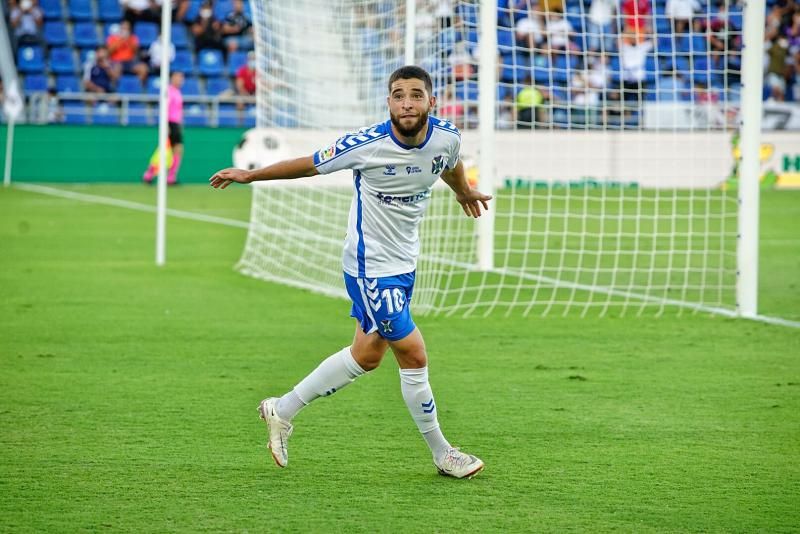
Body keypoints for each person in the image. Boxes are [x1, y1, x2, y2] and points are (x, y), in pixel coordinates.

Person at [208, 66, 491, 479]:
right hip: (369, 266)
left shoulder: (447, 136)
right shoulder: (367, 145)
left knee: (367, 355)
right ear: (388, 102)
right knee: (413, 353)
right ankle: (443, 453)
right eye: (398, 95)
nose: (407, 103)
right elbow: (308, 164)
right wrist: (250, 175)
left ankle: (281, 409)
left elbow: (449, 164)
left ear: (432, 101)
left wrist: (463, 190)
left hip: (404, 262)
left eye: (415, 95)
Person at [143, 71, 184, 185]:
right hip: (169, 123)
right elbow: (164, 108)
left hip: (175, 123)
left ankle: (170, 177)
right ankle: (150, 174)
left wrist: (180, 125)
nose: (180, 80)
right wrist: (165, 125)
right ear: (172, 78)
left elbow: (178, 111)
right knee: (164, 150)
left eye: (181, 78)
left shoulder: (177, 92)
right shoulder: (168, 91)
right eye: (177, 77)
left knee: (176, 150)